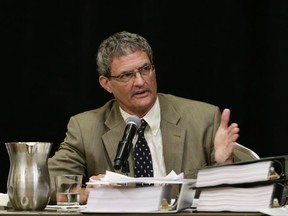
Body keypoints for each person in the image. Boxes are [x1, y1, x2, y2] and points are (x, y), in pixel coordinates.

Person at [48, 31, 240, 205]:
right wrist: (84, 194)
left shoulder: (203, 119)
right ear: (106, 84)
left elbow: (235, 193)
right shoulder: (85, 128)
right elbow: (44, 184)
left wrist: (224, 164)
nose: (140, 81)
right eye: (126, 75)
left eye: (145, 69)